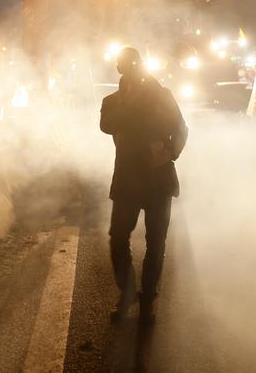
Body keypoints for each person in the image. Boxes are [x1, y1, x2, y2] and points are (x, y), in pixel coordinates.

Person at [100, 47, 188, 325]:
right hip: (127, 180)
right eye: (124, 66)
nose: (127, 69)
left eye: (131, 65)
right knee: (117, 239)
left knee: (156, 242)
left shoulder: (162, 95)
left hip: (158, 179)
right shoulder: (113, 101)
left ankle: (148, 297)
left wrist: (170, 152)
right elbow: (106, 125)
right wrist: (131, 100)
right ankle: (127, 294)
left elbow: (181, 128)